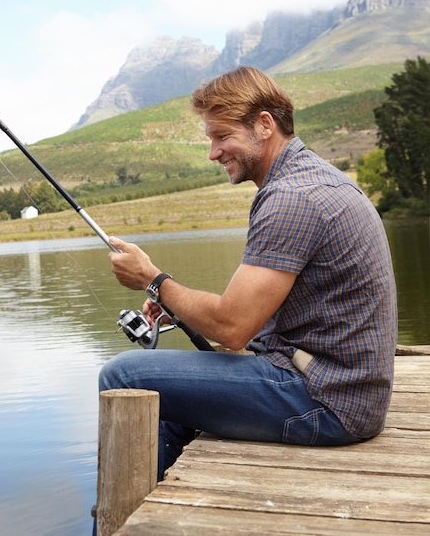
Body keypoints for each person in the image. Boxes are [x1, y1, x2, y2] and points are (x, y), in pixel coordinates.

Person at [99, 66, 398, 480]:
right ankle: (150, 507)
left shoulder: (292, 198)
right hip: (345, 391)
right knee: (169, 402)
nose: (213, 152)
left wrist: (153, 280)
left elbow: (233, 327)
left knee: (124, 375)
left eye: (222, 136)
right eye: (211, 138)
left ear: (263, 125)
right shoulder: (311, 178)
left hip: (326, 402)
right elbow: (249, 313)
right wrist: (175, 306)